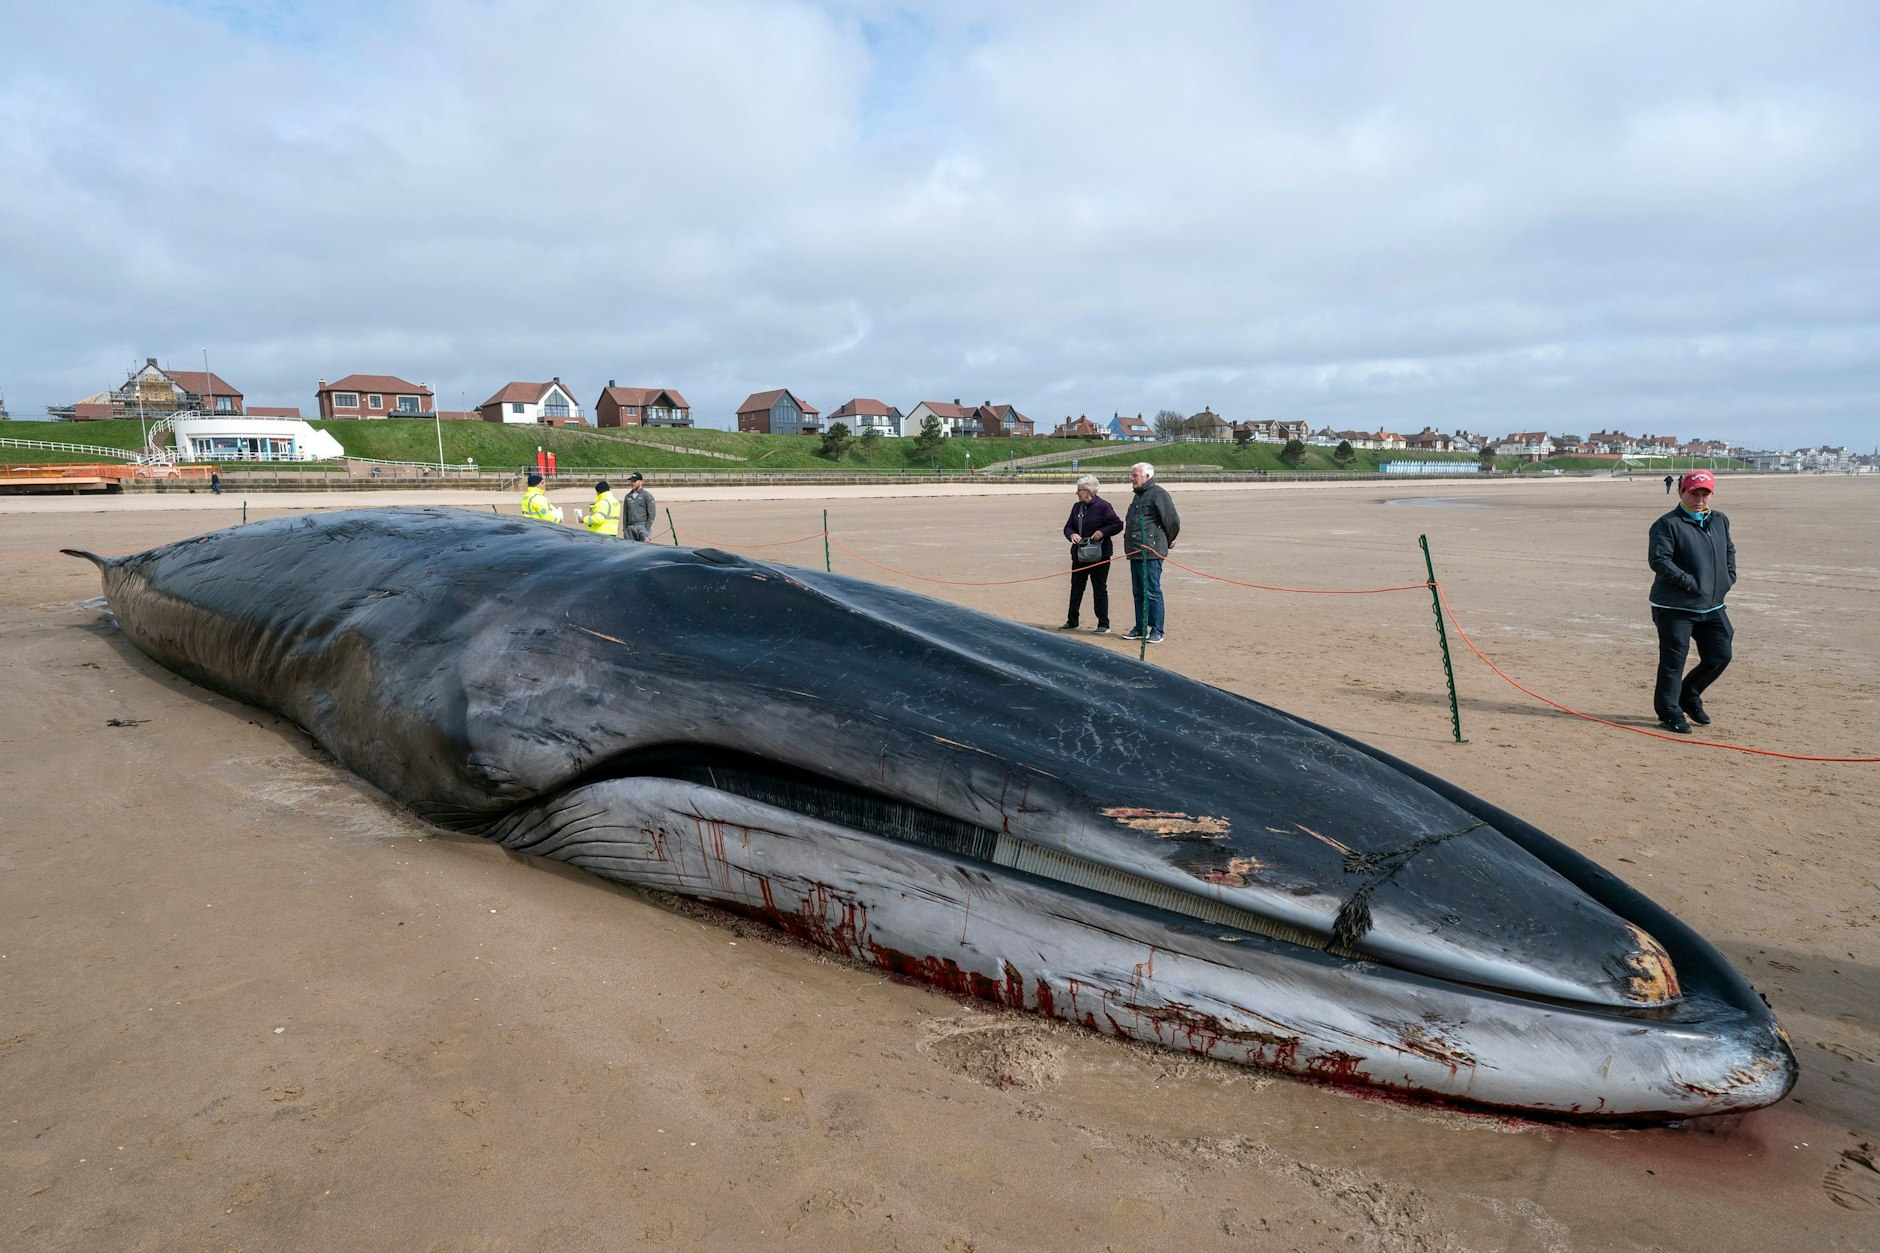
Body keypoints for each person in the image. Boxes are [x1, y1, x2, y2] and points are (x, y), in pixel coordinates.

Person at [1648, 469, 1735, 734]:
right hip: (1675, 607)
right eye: (1693, 493)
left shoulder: (1719, 520)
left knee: (1720, 655)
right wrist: (1690, 583)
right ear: (1681, 492)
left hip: (1712, 604)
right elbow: (1659, 560)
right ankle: (1669, 712)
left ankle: (1689, 694)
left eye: (1705, 493)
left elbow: (1728, 550)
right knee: (1674, 661)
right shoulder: (1667, 524)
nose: (1699, 499)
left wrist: (1728, 577)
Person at [1121, 462, 1179, 644]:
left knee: (1152, 592)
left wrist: (1166, 542)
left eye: (1135, 476)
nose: (1132, 479)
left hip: (1151, 553)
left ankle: (1157, 630)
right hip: (1135, 551)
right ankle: (1140, 628)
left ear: (1147, 476)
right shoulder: (1138, 496)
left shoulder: (1159, 494)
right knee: (1138, 592)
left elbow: (1172, 522)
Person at [1059, 474, 1123, 633]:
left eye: (1079, 490)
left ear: (1088, 491)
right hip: (1080, 556)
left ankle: (1103, 624)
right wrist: (1072, 534)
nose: (1076, 493)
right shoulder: (1076, 507)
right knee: (1076, 588)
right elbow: (1068, 527)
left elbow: (1118, 524)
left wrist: (1102, 532)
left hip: (1100, 556)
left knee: (1099, 589)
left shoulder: (1104, 506)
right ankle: (1072, 621)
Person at [623, 472, 655, 542]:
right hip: (630, 529)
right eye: (631, 481)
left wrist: (646, 528)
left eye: (635, 481)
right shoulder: (627, 496)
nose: (632, 483)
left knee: (643, 548)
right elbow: (625, 514)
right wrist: (625, 529)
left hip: (642, 527)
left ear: (641, 482)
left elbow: (652, 514)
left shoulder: (647, 496)